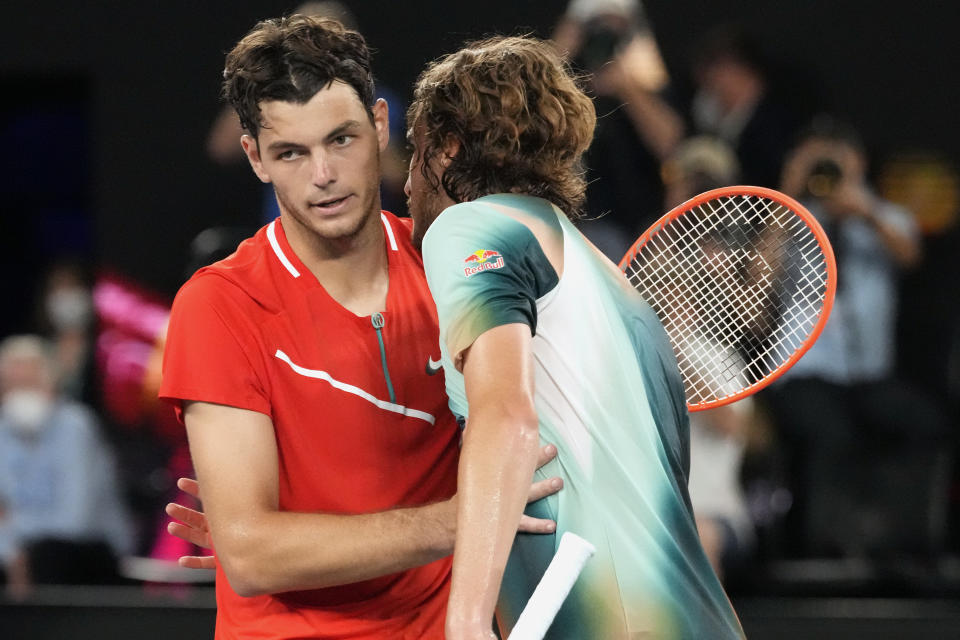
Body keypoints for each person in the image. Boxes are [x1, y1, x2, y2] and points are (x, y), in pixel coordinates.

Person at [159, 15, 559, 639]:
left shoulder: (455, 270)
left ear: (380, 124)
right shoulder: (217, 305)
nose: (323, 174)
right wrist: (472, 516)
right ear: (255, 158)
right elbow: (254, 555)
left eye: (341, 139)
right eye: (291, 152)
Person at [404, 36, 743, 639]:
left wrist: (467, 621)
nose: (406, 185)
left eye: (415, 152)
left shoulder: (470, 225)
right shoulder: (612, 280)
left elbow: (507, 417)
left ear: (449, 149)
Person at [766, 116, 949, 557]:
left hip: (869, 375)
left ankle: (904, 545)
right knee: (831, 431)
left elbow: (909, 255)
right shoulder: (787, 220)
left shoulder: (886, 215)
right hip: (802, 372)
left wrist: (862, 208)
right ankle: (822, 553)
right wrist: (788, 196)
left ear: (859, 163)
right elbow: (759, 277)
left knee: (924, 423)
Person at [0, 335, 132, 597]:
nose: (21, 393)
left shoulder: (76, 426)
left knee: (49, 554)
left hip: (87, 552)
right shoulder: (2, 431)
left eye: (30, 383)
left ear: (51, 384)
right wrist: (12, 548)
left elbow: (74, 521)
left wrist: (12, 532)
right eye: (13, 385)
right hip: (23, 550)